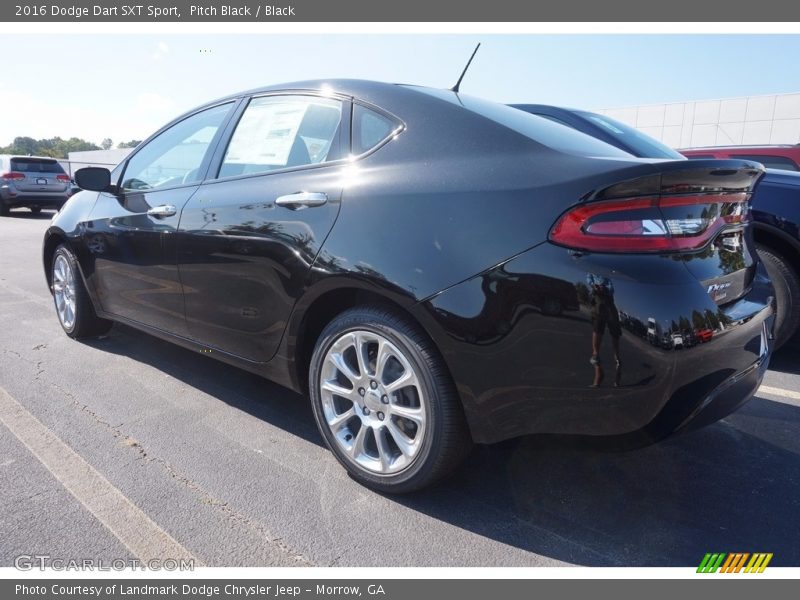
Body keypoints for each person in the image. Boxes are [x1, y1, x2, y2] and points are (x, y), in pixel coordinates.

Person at [586, 273, 622, 387]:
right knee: (598, 328)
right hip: (599, 300)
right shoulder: (592, 270)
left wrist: (605, 288)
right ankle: (598, 369)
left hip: (608, 301)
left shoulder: (607, 272)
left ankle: (617, 360)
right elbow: (589, 278)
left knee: (614, 333)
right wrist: (594, 285)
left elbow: (611, 287)